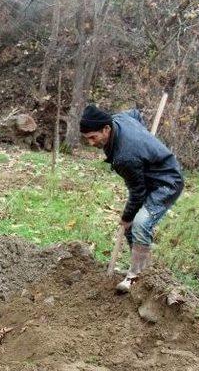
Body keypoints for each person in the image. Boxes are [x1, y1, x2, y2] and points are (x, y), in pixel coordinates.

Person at [79, 104, 184, 293]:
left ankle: (136, 276)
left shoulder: (124, 157)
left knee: (140, 222)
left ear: (106, 129)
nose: (91, 143)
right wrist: (143, 139)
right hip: (150, 176)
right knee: (131, 227)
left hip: (167, 182)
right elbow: (135, 112)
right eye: (87, 139)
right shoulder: (120, 119)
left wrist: (126, 217)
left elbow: (137, 192)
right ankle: (143, 269)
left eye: (93, 137)